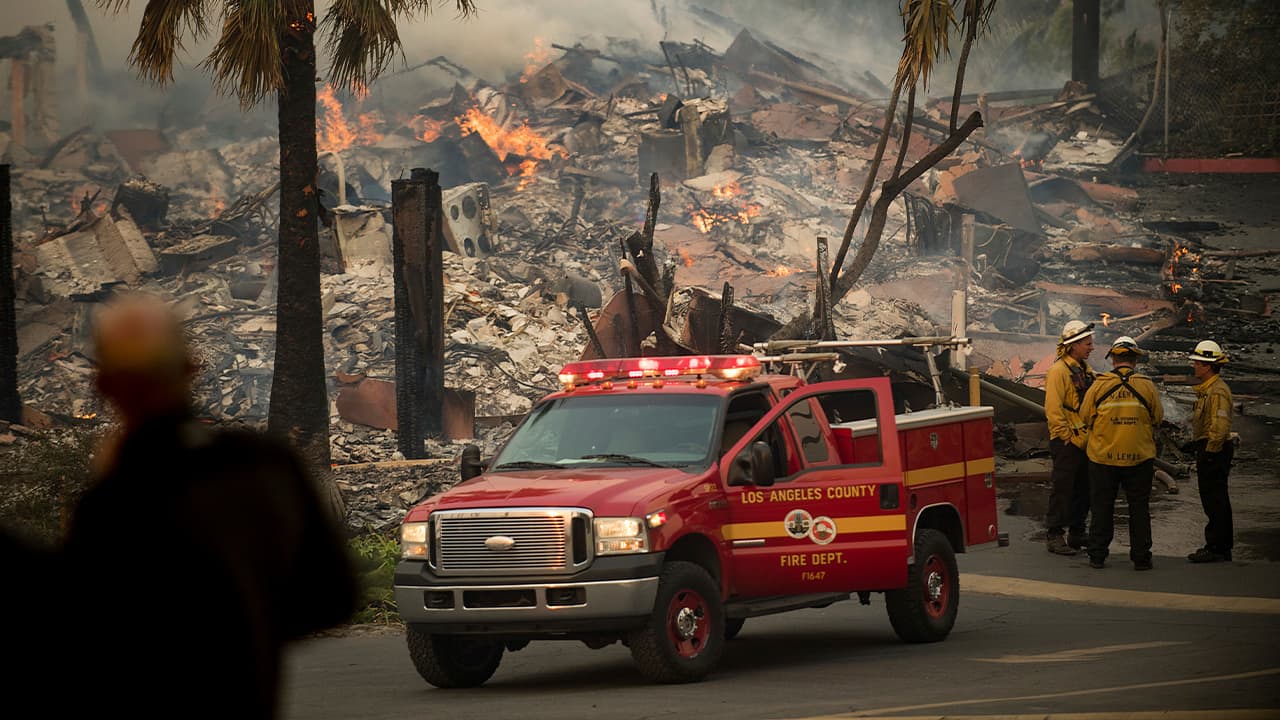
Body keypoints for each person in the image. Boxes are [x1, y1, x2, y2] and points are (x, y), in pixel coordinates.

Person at [61, 294, 358, 719]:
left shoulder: (108, 506)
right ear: (190, 370)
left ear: (105, 386)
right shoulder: (264, 467)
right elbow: (333, 597)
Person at [1078, 336, 1164, 570]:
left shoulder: (1099, 384)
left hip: (1103, 458)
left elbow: (1085, 417)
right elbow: (1158, 418)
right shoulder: (1147, 385)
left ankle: (1097, 555)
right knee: (1139, 508)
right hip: (1139, 458)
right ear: (1135, 360)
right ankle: (1141, 558)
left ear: (1113, 359)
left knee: (1102, 507)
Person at [1043, 319, 1096, 555]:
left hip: (1084, 439)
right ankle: (1055, 535)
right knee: (1063, 489)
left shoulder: (1084, 370)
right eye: (1087, 343)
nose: (1091, 347)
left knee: (1083, 488)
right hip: (1067, 441)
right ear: (1073, 345)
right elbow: (1054, 410)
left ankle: (1077, 532)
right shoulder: (1058, 371)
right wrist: (1065, 436)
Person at [1186, 340, 1235, 563]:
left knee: (1215, 500)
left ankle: (1218, 548)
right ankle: (1217, 545)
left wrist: (1210, 452)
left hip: (1215, 452)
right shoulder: (1209, 390)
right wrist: (1197, 444)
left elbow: (1220, 424)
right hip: (1210, 449)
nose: (1194, 366)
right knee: (1213, 499)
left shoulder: (1216, 392)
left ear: (1207, 366)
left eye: (1197, 362)